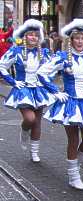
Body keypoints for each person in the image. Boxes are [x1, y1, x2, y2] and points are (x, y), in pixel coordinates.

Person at [37, 19, 83, 190]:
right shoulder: (63, 57)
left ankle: (75, 165)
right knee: (73, 140)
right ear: (71, 40)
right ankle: (73, 176)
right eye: (77, 38)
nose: (80, 42)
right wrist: (55, 91)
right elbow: (42, 73)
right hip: (70, 104)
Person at [0, 19, 54, 162]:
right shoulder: (15, 51)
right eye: (30, 35)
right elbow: (2, 66)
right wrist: (12, 81)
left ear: (39, 38)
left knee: (37, 122)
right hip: (23, 90)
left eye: (36, 35)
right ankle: (24, 131)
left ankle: (34, 152)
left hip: (39, 90)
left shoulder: (44, 53)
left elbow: (53, 70)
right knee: (30, 119)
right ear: (24, 36)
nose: (33, 38)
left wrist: (49, 82)